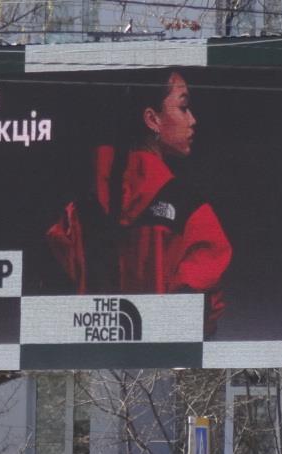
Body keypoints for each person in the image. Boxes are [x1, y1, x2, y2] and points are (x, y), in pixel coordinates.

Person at [46, 70, 232, 338]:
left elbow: (59, 279)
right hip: (162, 349)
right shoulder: (190, 210)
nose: (193, 120)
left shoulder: (80, 207)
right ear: (152, 119)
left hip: (95, 350)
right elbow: (203, 309)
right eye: (183, 107)